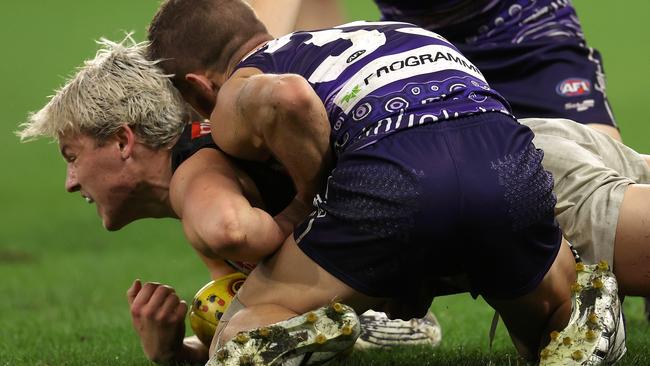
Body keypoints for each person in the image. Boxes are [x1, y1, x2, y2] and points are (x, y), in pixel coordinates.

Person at [145, 0, 627, 363]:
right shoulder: (391, 29)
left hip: (395, 179)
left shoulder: (243, 80)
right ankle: (578, 321)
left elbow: (285, 98)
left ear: (196, 87)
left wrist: (306, 206)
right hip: (504, 156)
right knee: (544, 330)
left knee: (239, 337)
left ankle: (282, 330)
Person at [248, 0, 621, 142]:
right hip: (418, 44)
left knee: (604, 166)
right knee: (401, 180)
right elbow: (292, 27)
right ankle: (399, 304)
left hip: (525, 32)